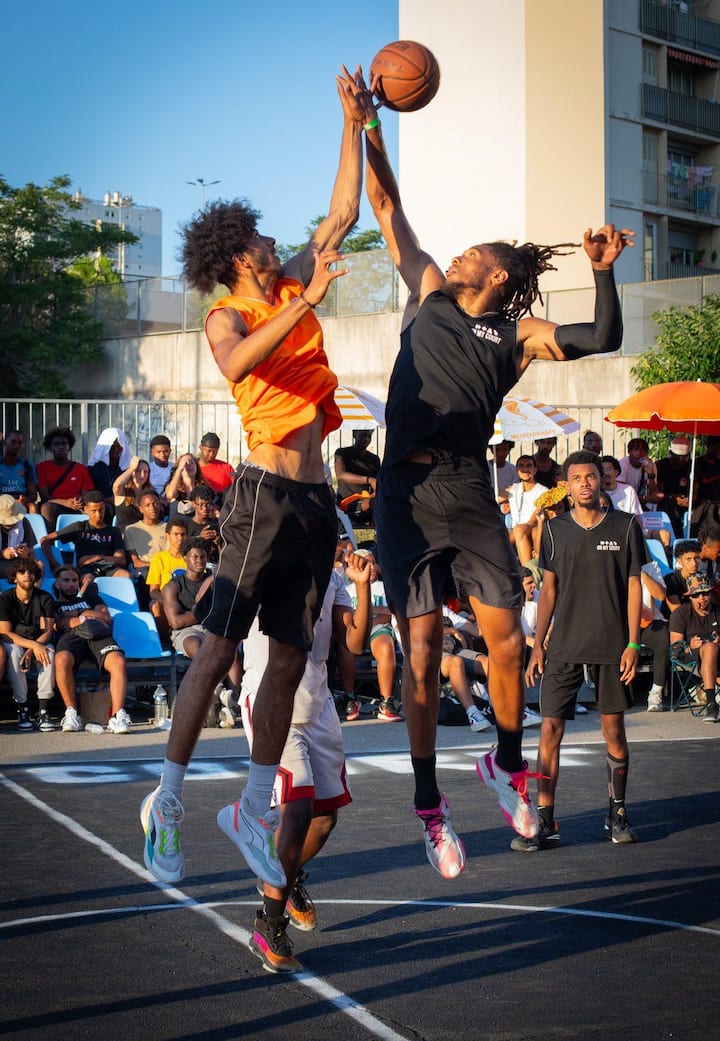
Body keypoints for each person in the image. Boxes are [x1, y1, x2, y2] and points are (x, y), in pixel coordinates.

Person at [363, 89, 633, 877]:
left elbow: (601, 335)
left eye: (471, 254)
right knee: (419, 653)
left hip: (467, 488)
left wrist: (601, 272)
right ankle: (429, 806)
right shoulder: (428, 293)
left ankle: (506, 762)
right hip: (405, 495)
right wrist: (368, 124)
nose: (457, 257)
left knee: (508, 638)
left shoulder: (516, 335)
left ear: (498, 272)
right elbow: (386, 206)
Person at [140, 66, 374, 888]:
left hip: (313, 500)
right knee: (217, 649)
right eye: (265, 240)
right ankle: (167, 799)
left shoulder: (288, 282)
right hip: (262, 494)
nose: (278, 243)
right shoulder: (230, 312)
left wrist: (353, 123)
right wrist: (305, 302)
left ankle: (249, 805)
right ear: (242, 255)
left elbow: (342, 214)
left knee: (289, 657)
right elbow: (238, 360)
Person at [240, 550, 372, 973]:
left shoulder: (331, 578)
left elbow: (355, 642)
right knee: (296, 811)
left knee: (324, 818)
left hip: (317, 703)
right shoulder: (262, 563)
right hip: (271, 702)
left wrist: (363, 588)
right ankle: (269, 923)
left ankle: (284, 876)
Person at [515, 451, 645, 852]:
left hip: (612, 644)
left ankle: (617, 814)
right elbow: (548, 590)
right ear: (567, 486)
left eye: (591, 476)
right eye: (576, 478)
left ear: (601, 480)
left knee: (613, 730)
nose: (585, 483)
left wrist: (633, 643)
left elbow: (634, 586)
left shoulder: (626, 526)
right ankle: (545, 821)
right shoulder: (555, 530)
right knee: (549, 730)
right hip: (564, 645)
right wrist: (538, 645)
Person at [52, 565, 131, 734]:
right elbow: (60, 624)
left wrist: (79, 613)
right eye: (66, 580)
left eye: (74, 580)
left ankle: (117, 716)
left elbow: (105, 618)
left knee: (118, 661)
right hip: (72, 637)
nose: (71, 584)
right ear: (57, 584)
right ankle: (72, 714)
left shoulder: (92, 598)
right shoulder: (53, 604)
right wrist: (88, 616)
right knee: (61, 659)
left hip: (98, 635)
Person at [0, 558, 55, 731]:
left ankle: (43, 710)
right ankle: (22, 707)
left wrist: (33, 649)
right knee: (15, 653)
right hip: (14, 641)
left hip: (38, 641)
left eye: (30, 572)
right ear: (14, 577)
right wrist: (33, 646)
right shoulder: (5, 599)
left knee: (49, 653)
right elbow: (6, 633)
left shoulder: (45, 598)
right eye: (22, 572)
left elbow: (47, 631)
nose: (27, 575)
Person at [40, 490, 130, 579]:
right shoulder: (79, 527)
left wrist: (98, 557)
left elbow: (121, 560)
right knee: (88, 580)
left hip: (108, 566)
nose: (98, 515)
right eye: (94, 511)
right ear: (86, 509)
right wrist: (54, 564)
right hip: (86, 568)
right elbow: (45, 539)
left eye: (101, 510)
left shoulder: (113, 531)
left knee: (126, 576)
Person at [669, 573, 720, 723]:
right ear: (690, 597)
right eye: (696, 595)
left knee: (712, 647)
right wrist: (689, 645)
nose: (701, 598)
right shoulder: (681, 614)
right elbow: (675, 650)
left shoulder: (718, 610)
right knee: (709, 648)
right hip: (692, 658)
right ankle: (711, 703)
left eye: (705, 593)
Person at [36, 427, 94, 532]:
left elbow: (86, 494)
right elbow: (45, 497)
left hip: (77, 507)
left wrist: (80, 500)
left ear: (69, 446)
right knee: (46, 507)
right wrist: (66, 502)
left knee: (96, 508)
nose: (60, 447)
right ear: (50, 448)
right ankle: (50, 540)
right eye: (56, 444)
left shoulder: (81, 469)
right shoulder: (41, 468)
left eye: (64, 444)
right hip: (55, 506)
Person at [334, 429, 381, 527]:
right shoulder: (343, 453)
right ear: (354, 435)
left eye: (369, 436)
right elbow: (340, 475)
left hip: (366, 500)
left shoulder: (374, 459)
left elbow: (378, 482)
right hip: (348, 502)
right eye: (363, 435)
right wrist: (368, 480)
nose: (366, 439)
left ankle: (378, 532)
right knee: (375, 502)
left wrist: (376, 492)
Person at [507, 455, 544, 564]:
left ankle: (527, 570)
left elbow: (535, 517)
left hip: (533, 527)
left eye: (529, 466)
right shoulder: (512, 489)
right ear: (517, 470)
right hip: (515, 528)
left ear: (535, 469)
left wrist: (521, 528)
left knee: (519, 530)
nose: (525, 469)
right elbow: (495, 498)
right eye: (521, 466)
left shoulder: (543, 491)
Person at [655, 436, 693, 538]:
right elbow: (658, 491)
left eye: (684, 457)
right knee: (668, 507)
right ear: (671, 454)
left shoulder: (691, 466)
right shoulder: (661, 466)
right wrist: (673, 498)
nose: (681, 460)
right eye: (678, 457)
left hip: (687, 501)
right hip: (667, 501)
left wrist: (689, 499)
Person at [88, 427, 132, 513]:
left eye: (119, 447)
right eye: (113, 447)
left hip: (122, 507)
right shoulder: (93, 468)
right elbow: (89, 495)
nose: (117, 450)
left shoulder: (127, 468)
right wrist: (108, 500)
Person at [0, 495, 42, 581]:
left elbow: (31, 552)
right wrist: (3, 554)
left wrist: (25, 554)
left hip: (18, 562)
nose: (11, 523)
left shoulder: (24, 523)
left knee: (39, 566)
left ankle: (33, 589)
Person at [0, 430, 38, 513]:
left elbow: (33, 495)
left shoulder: (27, 465)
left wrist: (24, 500)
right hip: (2, 502)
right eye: (13, 442)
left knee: (33, 507)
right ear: (4, 443)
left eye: (19, 443)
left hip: (21, 502)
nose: (16, 445)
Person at [112, 456, 153, 530]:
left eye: (145, 472)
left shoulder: (149, 494)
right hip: (124, 533)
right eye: (138, 471)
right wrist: (131, 468)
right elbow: (116, 486)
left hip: (143, 533)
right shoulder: (123, 492)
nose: (142, 475)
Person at [197, 432, 235, 505]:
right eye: (209, 451)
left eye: (214, 452)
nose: (211, 454)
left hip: (223, 505)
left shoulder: (226, 467)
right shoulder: (193, 468)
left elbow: (236, 488)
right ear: (201, 447)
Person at [619, 437, 658, 505]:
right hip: (626, 498)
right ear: (629, 452)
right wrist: (643, 498)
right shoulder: (623, 463)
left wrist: (650, 473)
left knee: (659, 496)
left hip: (642, 498)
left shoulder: (650, 464)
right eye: (635, 450)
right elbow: (620, 490)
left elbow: (653, 491)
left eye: (643, 450)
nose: (639, 453)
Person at [148, 435, 174, 499]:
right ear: (152, 452)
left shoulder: (175, 468)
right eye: (158, 452)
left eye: (165, 451)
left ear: (170, 451)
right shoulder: (147, 469)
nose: (162, 455)